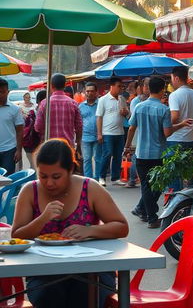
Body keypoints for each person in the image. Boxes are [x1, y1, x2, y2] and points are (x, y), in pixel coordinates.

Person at [12, 138, 128, 308]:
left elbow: (121, 227)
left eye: (56, 176)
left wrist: (89, 231)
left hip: (92, 271)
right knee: (50, 295)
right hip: (44, 272)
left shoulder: (90, 188)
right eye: (43, 176)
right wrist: (43, 218)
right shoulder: (30, 191)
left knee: (84, 295)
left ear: (71, 169)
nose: (49, 183)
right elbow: (17, 234)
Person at [124, 77, 193, 228]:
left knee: (146, 186)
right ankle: (151, 217)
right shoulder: (163, 109)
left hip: (141, 153)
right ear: (162, 90)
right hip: (158, 154)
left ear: (149, 89)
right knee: (157, 186)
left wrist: (127, 146)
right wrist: (181, 124)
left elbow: (131, 128)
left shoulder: (139, 107)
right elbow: (167, 133)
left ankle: (145, 211)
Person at [35, 73, 82, 157]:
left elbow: (38, 127)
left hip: (48, 147)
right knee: (66, 169)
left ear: (51, 85)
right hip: (67, 148)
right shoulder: (73, 103)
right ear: (65, 85)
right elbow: (79, 127)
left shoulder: (44, 103)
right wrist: (78, 144)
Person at [96, 76, 129, 187]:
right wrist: (99, 133)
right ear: (112, 86)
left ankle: (115, 178)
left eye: (121, 87)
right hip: (107, 133)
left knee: (118, 155)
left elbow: (128, 115)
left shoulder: (122, 99)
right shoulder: (103, 100)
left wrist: (125, 113)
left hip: (120, 132)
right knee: (107, 154)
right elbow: (99, 117)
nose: (120, 89)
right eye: (119, 86)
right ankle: (101, 176)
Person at [167, 65, 193, 152]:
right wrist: (192, 127)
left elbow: (174, 117)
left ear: (176, 78)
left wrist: (166, 126)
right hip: (191, 139)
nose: (171, 82)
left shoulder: (174, 95)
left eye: (172, 78)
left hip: (175, 139)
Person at [0, 77, 23, 174]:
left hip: (9, 151)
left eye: (2, 92)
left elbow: (20, 131)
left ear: (7, 92)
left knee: (8, 180)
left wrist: (19, 150)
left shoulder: (15, 109)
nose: (0, 95)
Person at [79, 82, 101, 180]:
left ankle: (97, 179)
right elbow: (78, 122)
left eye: (92, 91)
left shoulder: (101, 104)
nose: (90, 93)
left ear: (96, 92)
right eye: (87, 91)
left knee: (97, 159)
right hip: (85, 137)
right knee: (87, 159)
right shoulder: (80, 106)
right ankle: (88, 180)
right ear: (84, 92)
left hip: (98, 136)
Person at [23, 90, 46, 168]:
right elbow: (37, 128)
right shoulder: (36, 111)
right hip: (36, 143)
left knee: (34, 166)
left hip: (30, 143)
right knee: (36, 166)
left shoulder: (34, 111)